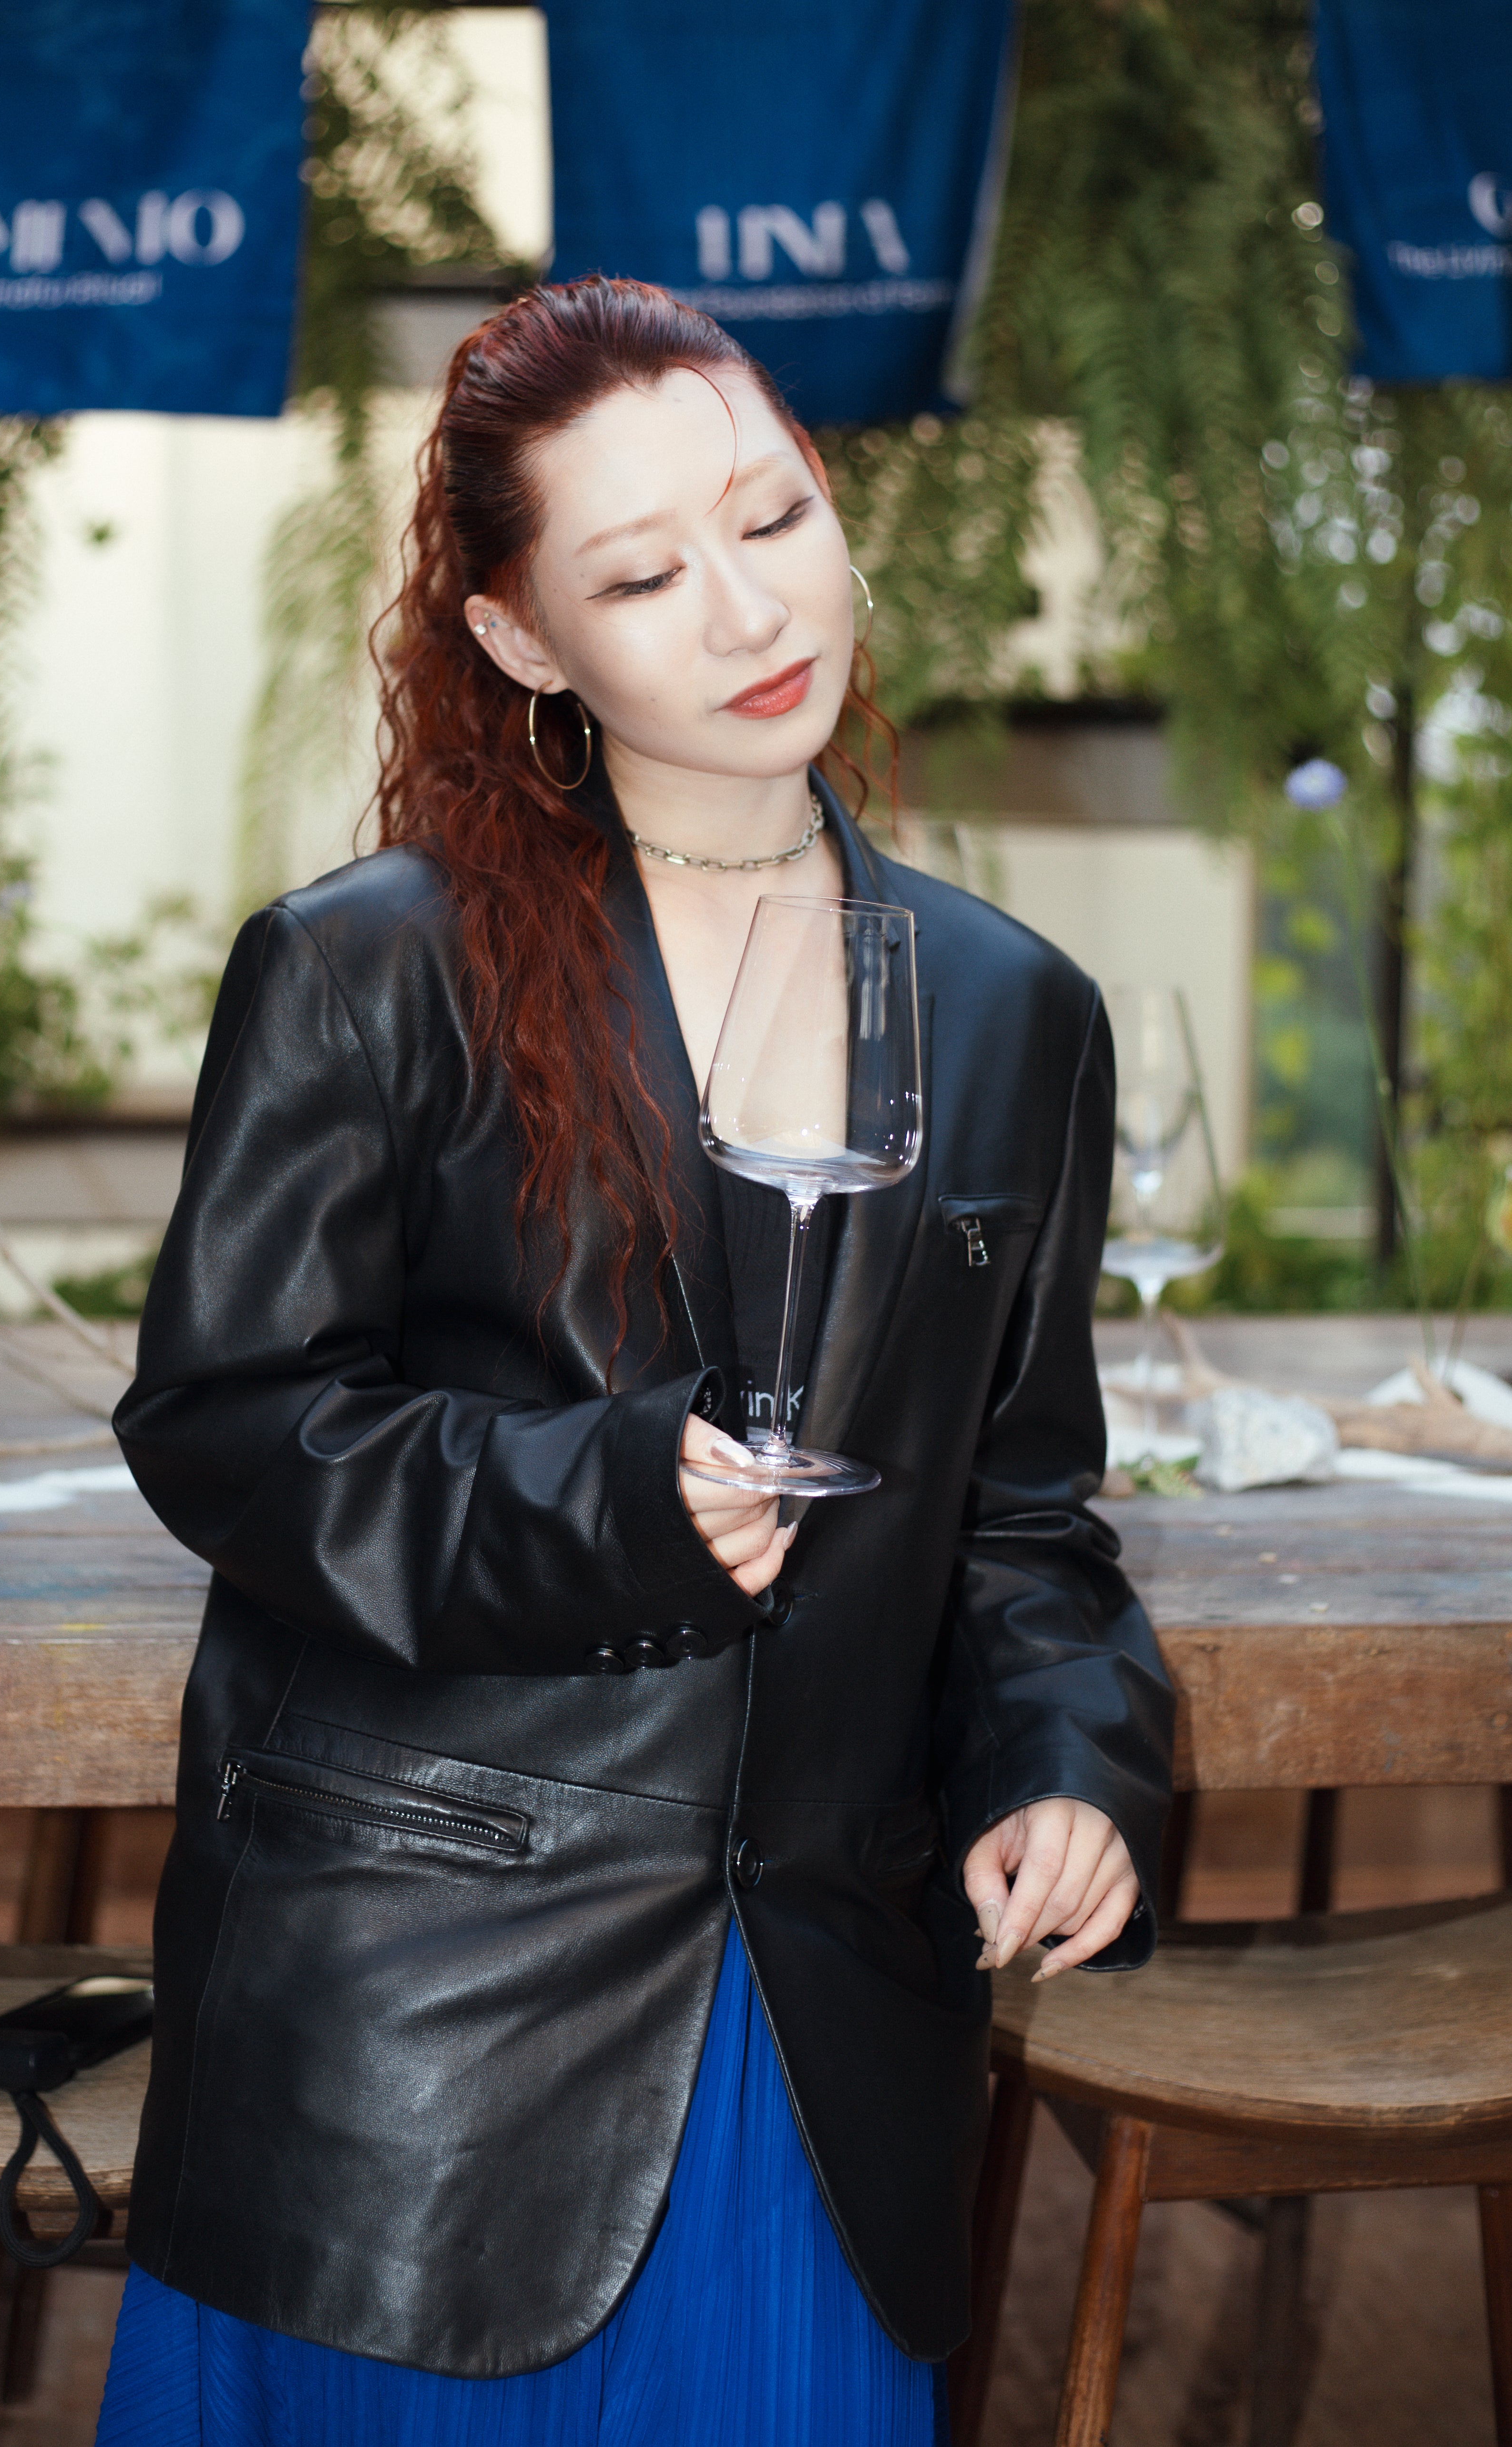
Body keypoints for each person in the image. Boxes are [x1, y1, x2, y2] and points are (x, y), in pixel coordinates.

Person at [96, 276, 1174, 2447]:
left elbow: (1021, 1513)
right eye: (641, 574)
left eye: (770, 517)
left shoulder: (1012, 1009)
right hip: (422, 2021)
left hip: (830, 2023)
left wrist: (1068, 1762)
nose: (747, 609)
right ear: (522, 639)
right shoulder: (368, 969)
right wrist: (605, 1495)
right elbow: (229, 1423)